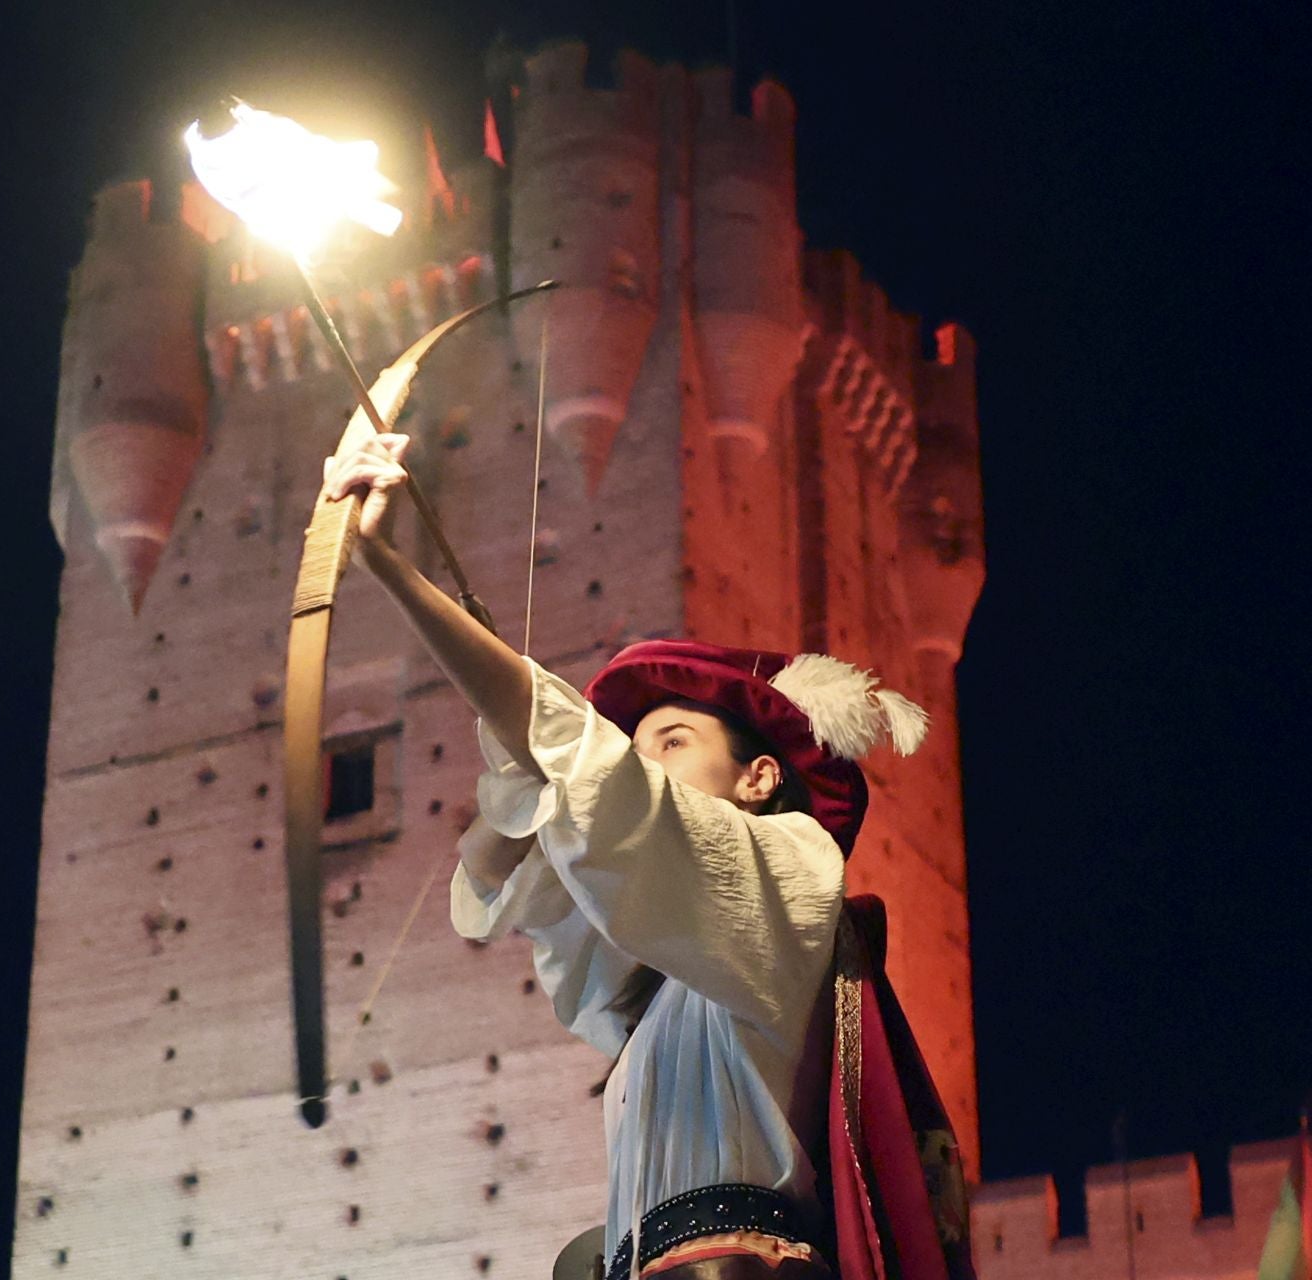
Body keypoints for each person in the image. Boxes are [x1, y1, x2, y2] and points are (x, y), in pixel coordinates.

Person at [322, 429, 942, 1280]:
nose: (644, 764)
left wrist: (391, 568)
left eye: (673, 739)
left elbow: (610, 801)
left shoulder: (787, 889)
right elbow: (504, 862)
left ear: (761, 777)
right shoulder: (648, 993)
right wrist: (526, 761)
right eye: (636, 748)